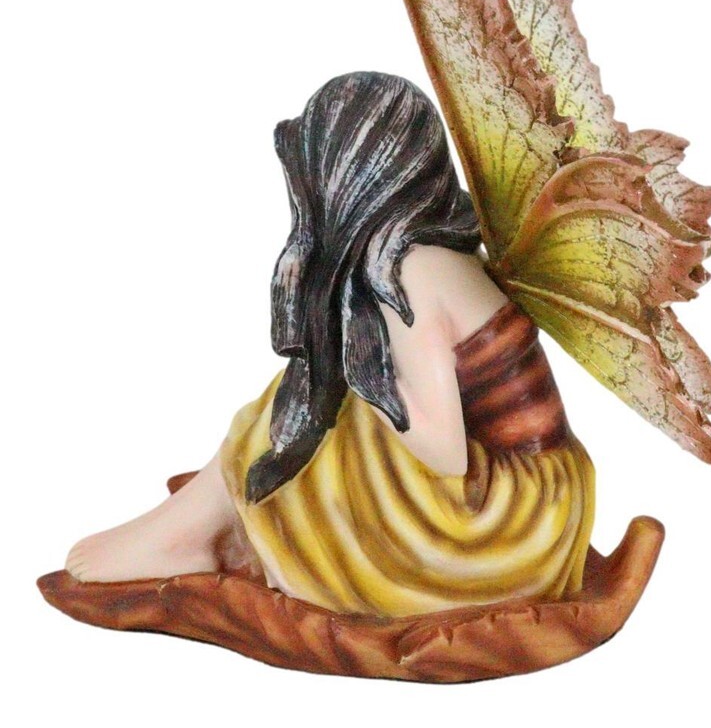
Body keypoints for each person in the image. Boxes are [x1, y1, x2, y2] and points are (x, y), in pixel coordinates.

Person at [65, 71, 595, 617]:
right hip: (554, 504)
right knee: (313, 392)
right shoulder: (443, 248)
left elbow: (446, 453)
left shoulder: (410, 274)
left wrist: (364, 376)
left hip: (510, 530)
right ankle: (196, 526)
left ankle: (188, 536)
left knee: (330, 410)